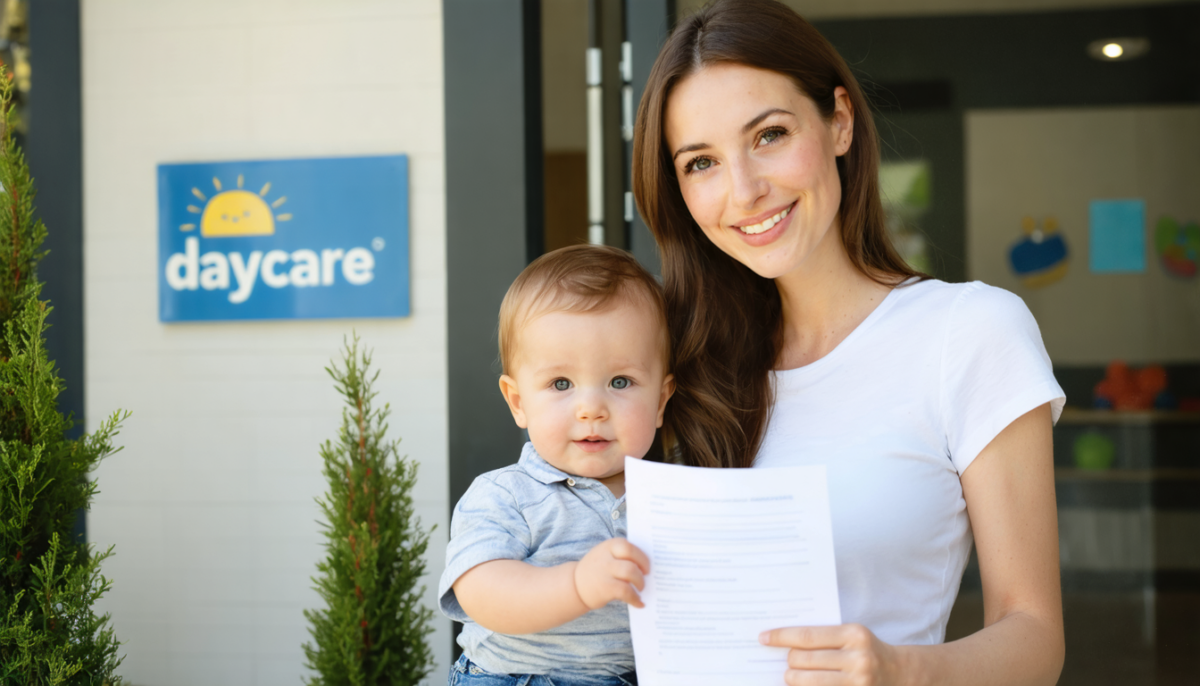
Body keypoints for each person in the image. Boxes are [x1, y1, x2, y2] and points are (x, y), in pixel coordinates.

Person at [631, 1, 1066, 684]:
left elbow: (1035, 637)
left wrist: (900, 670)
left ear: (839, 121)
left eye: (769, 135)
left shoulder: (968, 332)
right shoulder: (666, 364)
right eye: (701, 162)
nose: (744, 190)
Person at [438, 245, 675, 686]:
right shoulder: (507, 495)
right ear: (518, 402)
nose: (591, 408)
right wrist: (578, 585)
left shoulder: (670, 497)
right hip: (517, 677)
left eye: (620, 381)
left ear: (660, 400)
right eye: (561, 383)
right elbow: (481, 593)